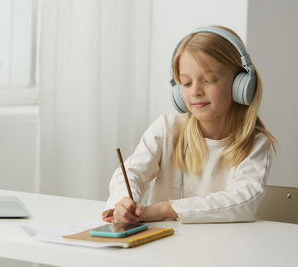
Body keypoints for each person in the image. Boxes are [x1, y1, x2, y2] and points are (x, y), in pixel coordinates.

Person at [102, 25, 277, 224]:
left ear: (240, 84)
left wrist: (166, 209)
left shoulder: (255, 144)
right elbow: (131, 172)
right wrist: (122, 202)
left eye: (209, 80)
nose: (195, 91)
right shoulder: (167, 129)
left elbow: (244, 201)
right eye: (186, 83)